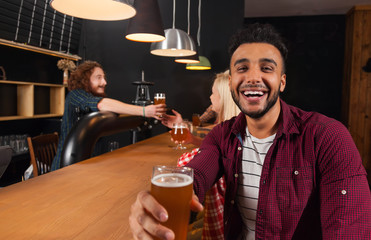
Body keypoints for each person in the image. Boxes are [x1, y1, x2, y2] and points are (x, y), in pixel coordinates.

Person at [129, 23, 371, 240]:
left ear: (282, 81)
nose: (253, 77)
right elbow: (196, 176)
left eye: (266, 68)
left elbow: (348, 228)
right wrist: (157, 205)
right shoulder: (222, 135)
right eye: (242, 68)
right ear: (232, 80)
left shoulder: (328, 137)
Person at [162, 70, 240, 240]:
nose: (211, 98)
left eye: (213, 93)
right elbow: (211, 140)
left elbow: (211, 145)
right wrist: (189, 134)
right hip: (214, 212)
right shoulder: (226, 131)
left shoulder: (232, 135)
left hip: (224, 226)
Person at [51, 61, 166, 171]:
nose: (104, 82)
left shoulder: (95, 97)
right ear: (85, 80)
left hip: (87, 166)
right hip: (64, 168)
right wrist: (144, 111)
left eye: (104, 78)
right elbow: (101, 104)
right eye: (99, 77)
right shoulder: (74, 95)